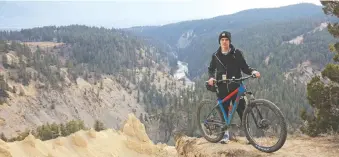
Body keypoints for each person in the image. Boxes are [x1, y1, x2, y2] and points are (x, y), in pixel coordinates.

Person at [207, 31, 260, 144]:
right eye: (222, 40)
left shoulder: (237, 53)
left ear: (230, 41)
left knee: (242, 110)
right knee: (224, 111)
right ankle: (225, 134)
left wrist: (252, 71)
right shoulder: (215, 55)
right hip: (222, 87)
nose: (224, 42)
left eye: (226, 40)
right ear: (219, 42)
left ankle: (248, 135)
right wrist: (211, 78)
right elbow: (211, 69)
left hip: (236, 86)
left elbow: (245, 67)